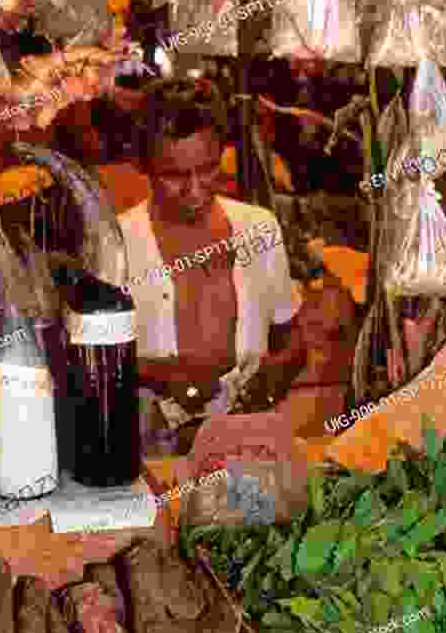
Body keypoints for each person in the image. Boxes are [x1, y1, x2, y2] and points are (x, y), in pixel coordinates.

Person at [118, 78, 308, 454]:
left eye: (207, 169)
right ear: (144, 166)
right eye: (173, 176)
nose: (194, 190)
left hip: (245, 443)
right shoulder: (117, 243)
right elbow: (82, 361)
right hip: (150, 450)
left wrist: (276, 375)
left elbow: (294, 342)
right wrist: (157, 372)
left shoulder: (259, 228)